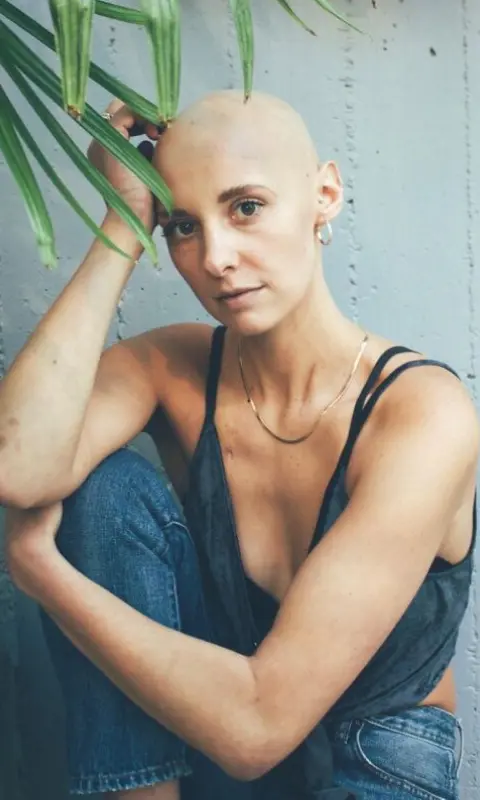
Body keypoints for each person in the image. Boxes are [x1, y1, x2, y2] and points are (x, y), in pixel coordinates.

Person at [2, 90, 478, 800]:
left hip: (373, 755)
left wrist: (45, 577)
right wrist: (125, 225)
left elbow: (257, 730)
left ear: (325, 194)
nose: (216, 258)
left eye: (246, 207)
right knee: (103, 488)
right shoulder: (173, 367)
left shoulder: (424, 414)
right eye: (183, 226)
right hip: (209, 722)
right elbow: (19, 469)